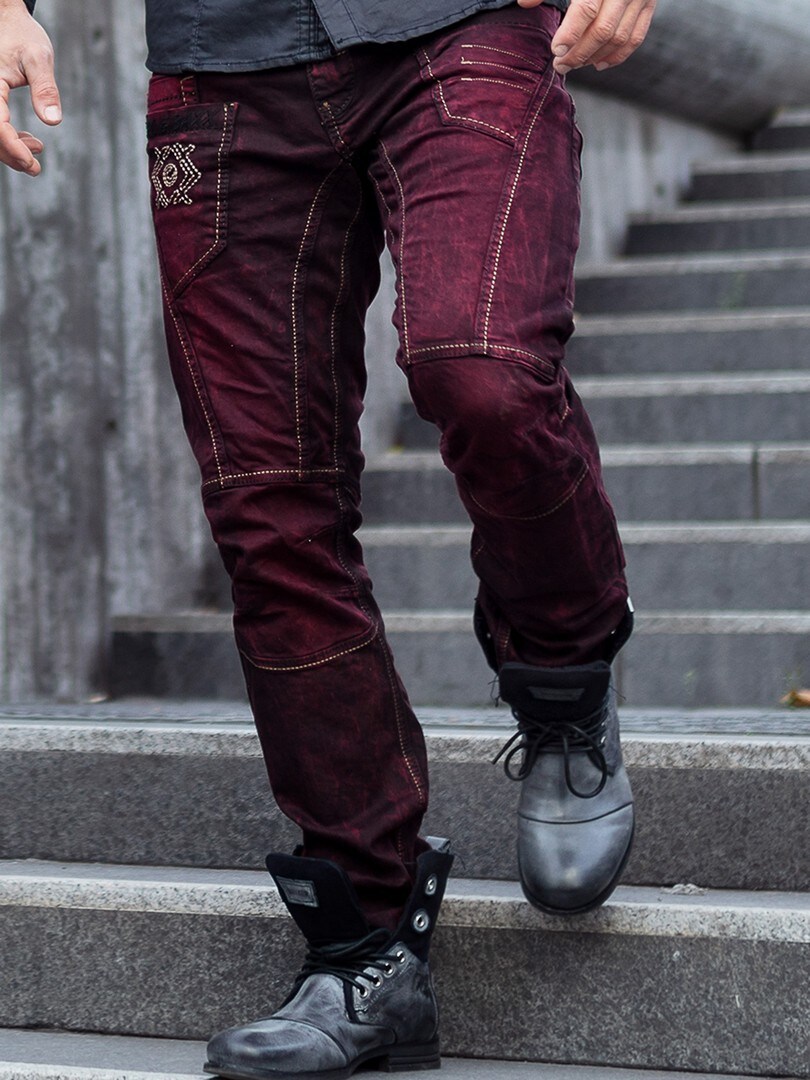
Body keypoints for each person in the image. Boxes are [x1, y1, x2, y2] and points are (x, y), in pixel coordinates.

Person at [1, 0, 655, 1076]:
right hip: (222, 71)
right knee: (268, 504)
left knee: (481, 373)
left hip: (461, 27)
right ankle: (366, 948)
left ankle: (564, 677)